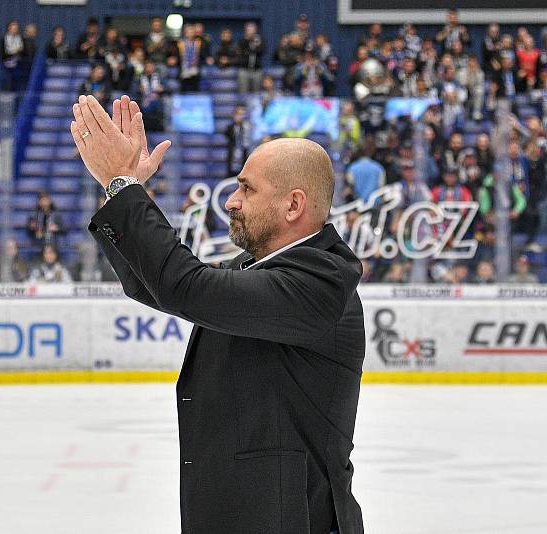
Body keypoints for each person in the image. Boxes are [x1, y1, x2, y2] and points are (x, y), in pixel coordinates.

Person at [70, 94, 364, 533]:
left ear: (293, 205)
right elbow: (152, 285)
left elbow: (183, 285)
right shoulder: (264, 270)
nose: (231, 201)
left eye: (247, 188)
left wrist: (123, 186)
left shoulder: (320, 283)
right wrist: (118, 188)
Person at [224, 105, 252, 176]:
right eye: (238, 114)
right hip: (233, 160)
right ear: (234, 115)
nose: (240, 117)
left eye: (242, 114)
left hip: (243, 159)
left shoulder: (247, 128)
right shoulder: (229, 128)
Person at [238, 21, 264, 93]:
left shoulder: (260, 40)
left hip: (257, 69)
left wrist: (250, 50)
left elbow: (261, 51)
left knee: (257, 92)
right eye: (249, 30)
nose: (250, 32)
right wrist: (251, 47)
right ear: (246, 31)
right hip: (244, 69)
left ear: (255, 30)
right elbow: (241, 52)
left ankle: (256, 104)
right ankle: (243, 103)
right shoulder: (242, 41)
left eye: (252, 29)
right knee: (243, 91)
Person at [0, 20, 24, 92]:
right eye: (14, 28)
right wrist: (14, 53)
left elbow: (21, 50)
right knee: (8, 83)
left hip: (18, 65)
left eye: (16, 28)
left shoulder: (19, 38)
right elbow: (4, 53)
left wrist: (15, 52)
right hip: (7, 66)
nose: (15, 29)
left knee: (17, 84)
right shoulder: (4, 39)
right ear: (9, 28)